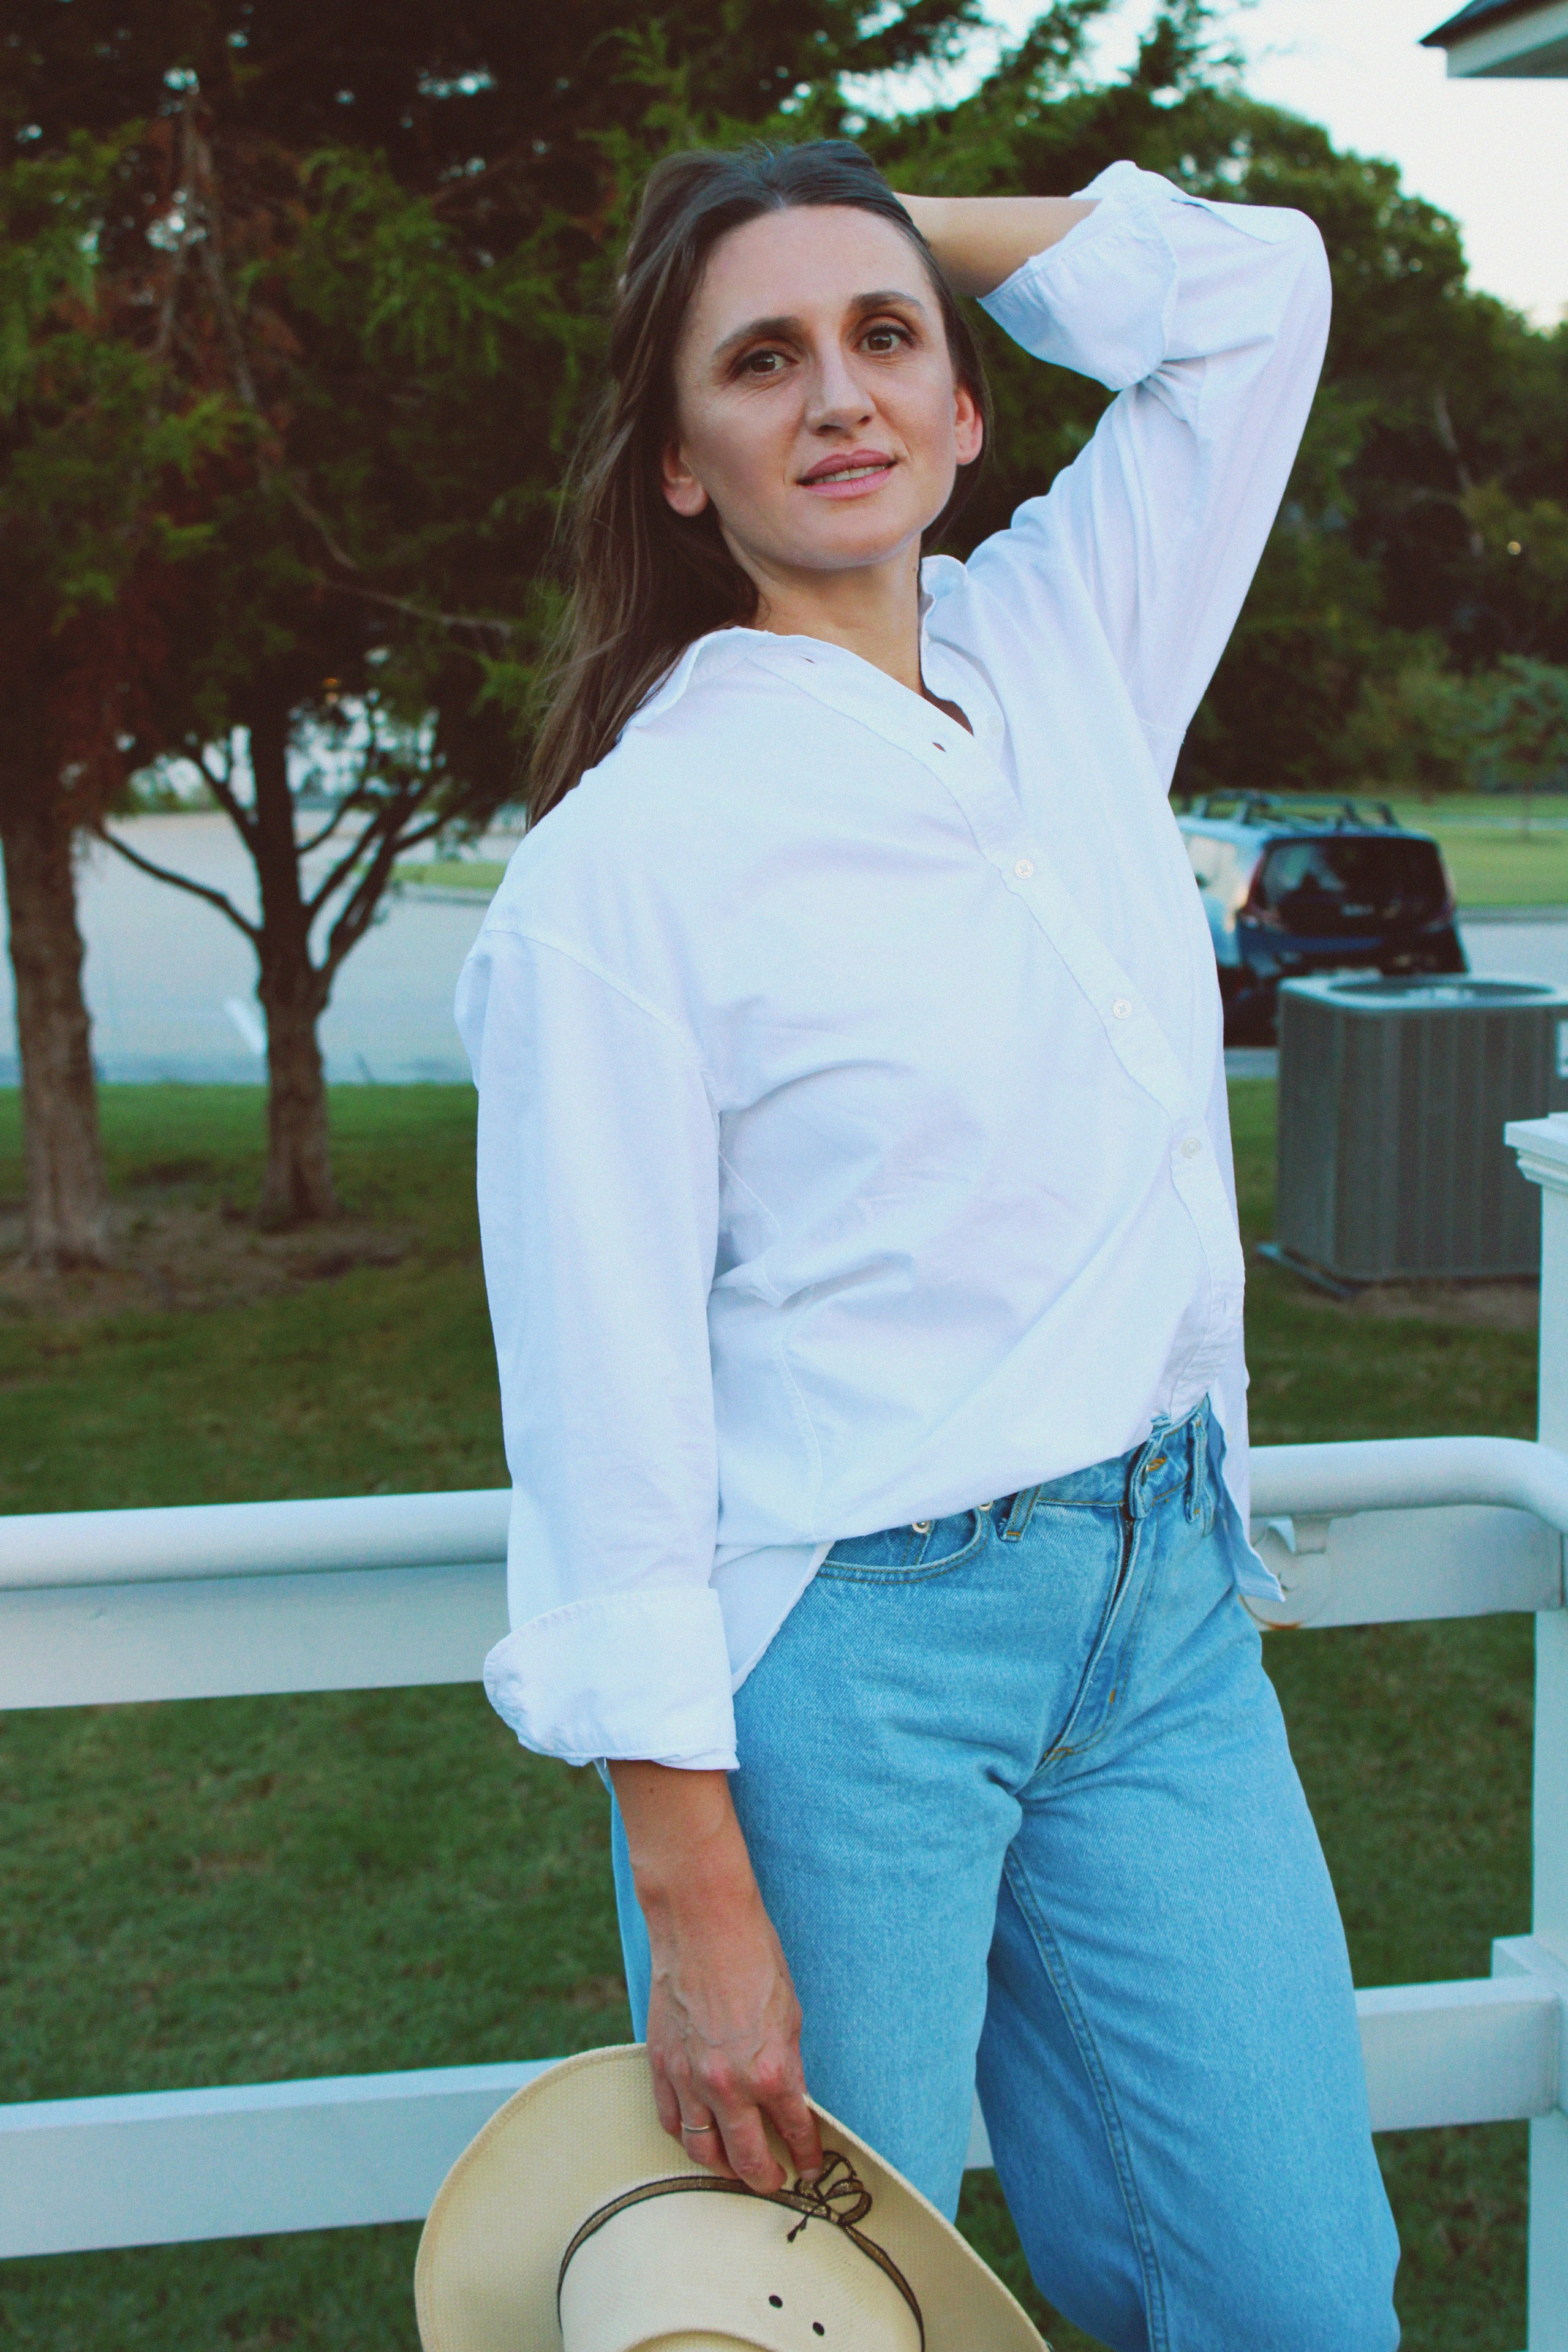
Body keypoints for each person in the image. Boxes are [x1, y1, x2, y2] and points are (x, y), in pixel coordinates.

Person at [456, 141, 1400, 2352]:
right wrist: (698, 1899)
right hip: (845, 1677)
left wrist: (874, 222)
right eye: (759, 361)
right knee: (817, 2318)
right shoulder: (626, 875)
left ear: (971, 408)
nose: (841, 396)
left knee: (1293, 2293)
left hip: (1164, 1620)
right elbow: (604, 1427)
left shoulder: (1067, 638)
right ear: (682, 465)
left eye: (887, 344)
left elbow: (1256, 287)